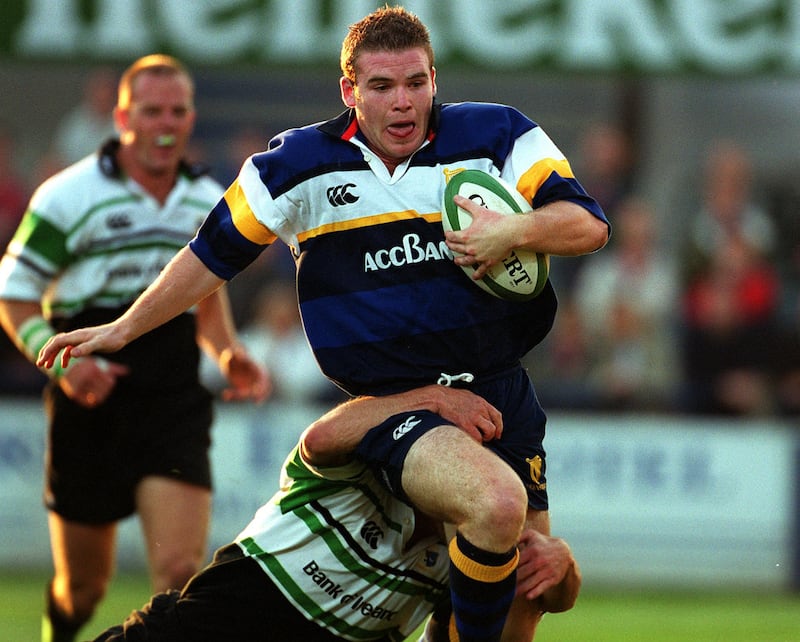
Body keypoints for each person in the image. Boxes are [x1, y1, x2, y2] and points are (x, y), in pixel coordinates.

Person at [38, 7, 607, 641]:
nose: (402, 103)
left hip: (502, 392)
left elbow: (588, 224)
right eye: (382, 87)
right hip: (398, 401)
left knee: (533, 580)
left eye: (415, 83)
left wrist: (513, 229)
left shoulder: (497, 134)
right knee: (498, 505)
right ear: (350, 91)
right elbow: (212, 254)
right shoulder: (299, 164)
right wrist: (123, 328)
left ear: (433, 80)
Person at [0, 54, 270, 642]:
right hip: (89, 399)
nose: (165, 124)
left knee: (178, 575)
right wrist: (65, 365)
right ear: (122, 115)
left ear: (192, 118)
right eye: (151, 111)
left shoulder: (208, 197)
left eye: (178, 111)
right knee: (83, 589)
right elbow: (13, 297)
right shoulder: (66, 196)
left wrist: (227, 353)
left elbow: (203, 294)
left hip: (171, 398)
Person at [91, 384, 580, 641]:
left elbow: (529, 608)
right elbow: (319, 439)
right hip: (218, 621)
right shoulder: (364, 465)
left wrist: (562, 569)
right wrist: (426, 400)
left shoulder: (477, 547)